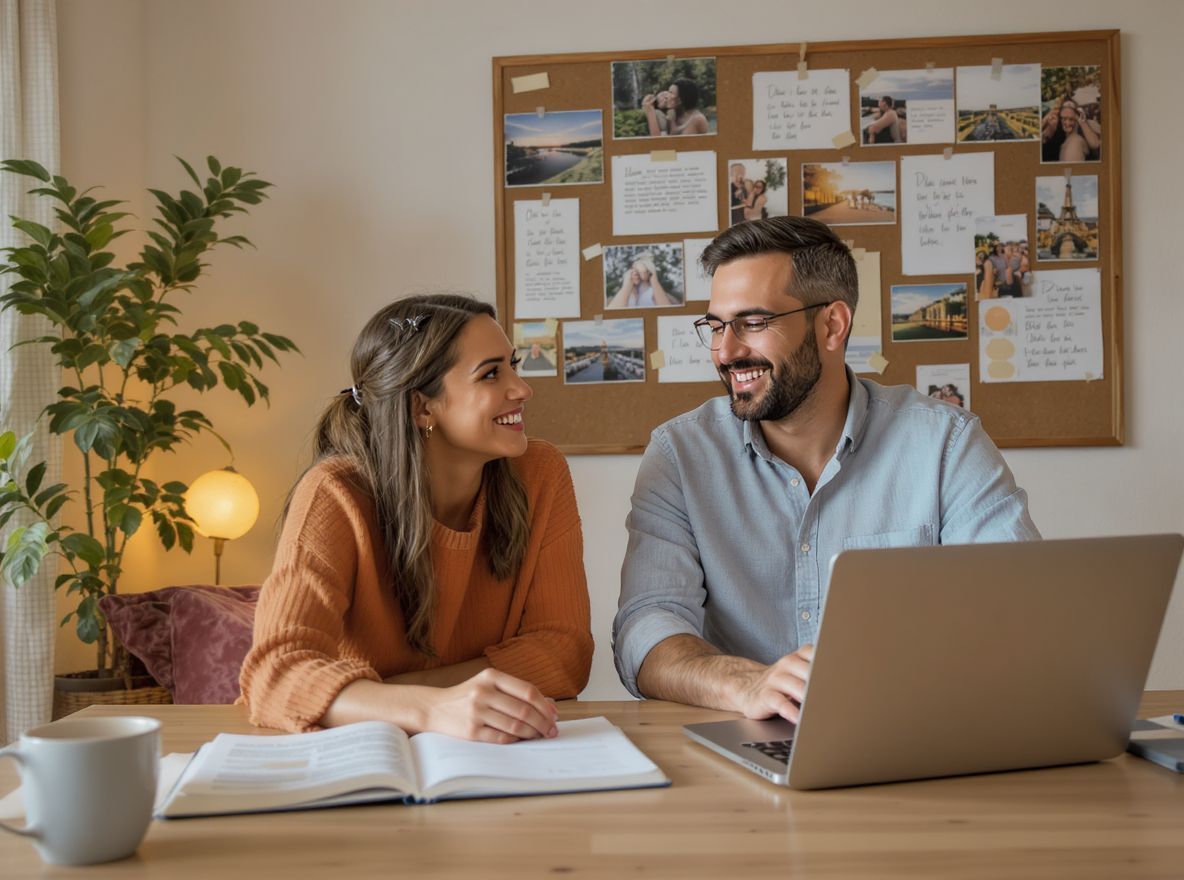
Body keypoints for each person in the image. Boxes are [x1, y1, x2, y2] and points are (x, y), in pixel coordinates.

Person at [613, 217, 1039, 721]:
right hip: (744, 745)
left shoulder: (944, 443)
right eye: (716, 326)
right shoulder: (681, 456)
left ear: (832, 325)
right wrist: (746, 683)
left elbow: (1018, 612)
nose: (725, 352)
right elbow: (646, 627)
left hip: (913, 732)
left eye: (752, 323)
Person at [241, 294, 593, 739]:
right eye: (491, 373)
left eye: (514, 365)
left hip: (494, 750)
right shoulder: (336, 492)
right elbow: (274, 674)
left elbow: (564, 652)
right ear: (421, 407)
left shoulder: (540, 474)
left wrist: (396, 697)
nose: (523, 389)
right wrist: (429, 709)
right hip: (358, 753)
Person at [1041, 97, 1101, 162]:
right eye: (1064, 118)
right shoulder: (1054, 125)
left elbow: (1095, 144)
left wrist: (1081, 121)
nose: (1067, 123)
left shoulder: (1084, 124)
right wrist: (1046, 121)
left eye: (1071, 119)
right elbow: (1041, 140)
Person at [643, 78, 709, 137]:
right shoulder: (673, 115)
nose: (666, 96)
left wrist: (650, 112)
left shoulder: (697, 119)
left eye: (670, 93)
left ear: (680, 99)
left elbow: (661, 145)